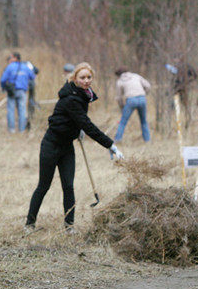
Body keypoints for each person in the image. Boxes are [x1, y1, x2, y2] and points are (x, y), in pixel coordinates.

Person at [25, 63, 124, 233]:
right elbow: (86, 123)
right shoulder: (71, 98)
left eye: (89, 77)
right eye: (82, 78)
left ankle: (69, 226)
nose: (86, 81)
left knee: (69, 187)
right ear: (74, 79)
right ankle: (29, 224)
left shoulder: (84, 94)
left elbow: (77, 120)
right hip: (51, 145)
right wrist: (109, 144)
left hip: (67, 147)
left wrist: (76, 130)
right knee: (44, 186)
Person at [0, 52, 35, 133]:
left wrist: (3, 87)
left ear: (15, 58)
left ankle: (12, 130)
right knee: (22, 110)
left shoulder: (10, 67)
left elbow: (3, 80)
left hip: (12, 91)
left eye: (11, 57)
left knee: (11, 110)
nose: (9, 59)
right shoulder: (25, 67)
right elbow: (32, 76)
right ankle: (22, 130)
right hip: (22, 91)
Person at [114, 67, 152, 142]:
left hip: (130, 100)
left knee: (123, 121)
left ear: (118, 75)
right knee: (144, 121)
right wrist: (144, 93)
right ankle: (147, 140)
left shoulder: (119, 81)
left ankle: (117, 140)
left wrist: (122, 107)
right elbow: (148, 86)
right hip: (142, 98)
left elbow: (119, 97)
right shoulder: (136, 76)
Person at [24, 60, 40, 130]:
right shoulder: (30, 65)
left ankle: (28, 118)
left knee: (28, 101)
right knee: (31, 100)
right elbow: (36, 72)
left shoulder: (23, 65)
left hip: (27, 86)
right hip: (31, 85)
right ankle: (30, 116)